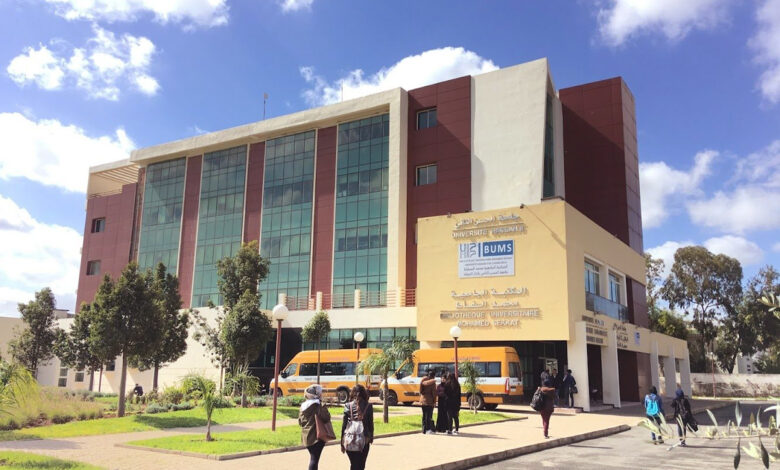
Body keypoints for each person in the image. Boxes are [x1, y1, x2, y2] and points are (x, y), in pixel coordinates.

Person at [298, 384, 332, 470]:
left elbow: (300, 422)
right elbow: (326, 418)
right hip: (317, 437)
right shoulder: (318, 405)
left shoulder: (302, 406)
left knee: (313, 458)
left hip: (306, 437)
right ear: (318, 394)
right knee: (314, 460)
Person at [341, 384, 373, 470]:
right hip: (364, 440)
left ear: (352, 393)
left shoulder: (348, 405)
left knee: (353, 464)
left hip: (350, 439)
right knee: (361, 465)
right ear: (364, 393)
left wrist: (342, 442)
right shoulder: (368, 406)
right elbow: (370, 424)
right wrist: (371, 437)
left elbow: (344, 425)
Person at [419, 369, 437, 434]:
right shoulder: (433, 383)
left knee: (424, 415)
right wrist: (434, 401)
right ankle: (428, 429)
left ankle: (423, 429)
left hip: (423, 400)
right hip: (429, 401)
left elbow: (420, 390)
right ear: (433, 376)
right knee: (429, 416)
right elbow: (434, 393)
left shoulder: (422, 381)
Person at [446, 370, 462, 435]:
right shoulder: (457, 385)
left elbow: (446, 394)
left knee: (449, 417)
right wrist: (459, 403)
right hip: (456, 403)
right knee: (456, 417)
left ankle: (450, 429)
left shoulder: (447, 384)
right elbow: (459, 395)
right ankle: (457, 429)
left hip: (449, 403)